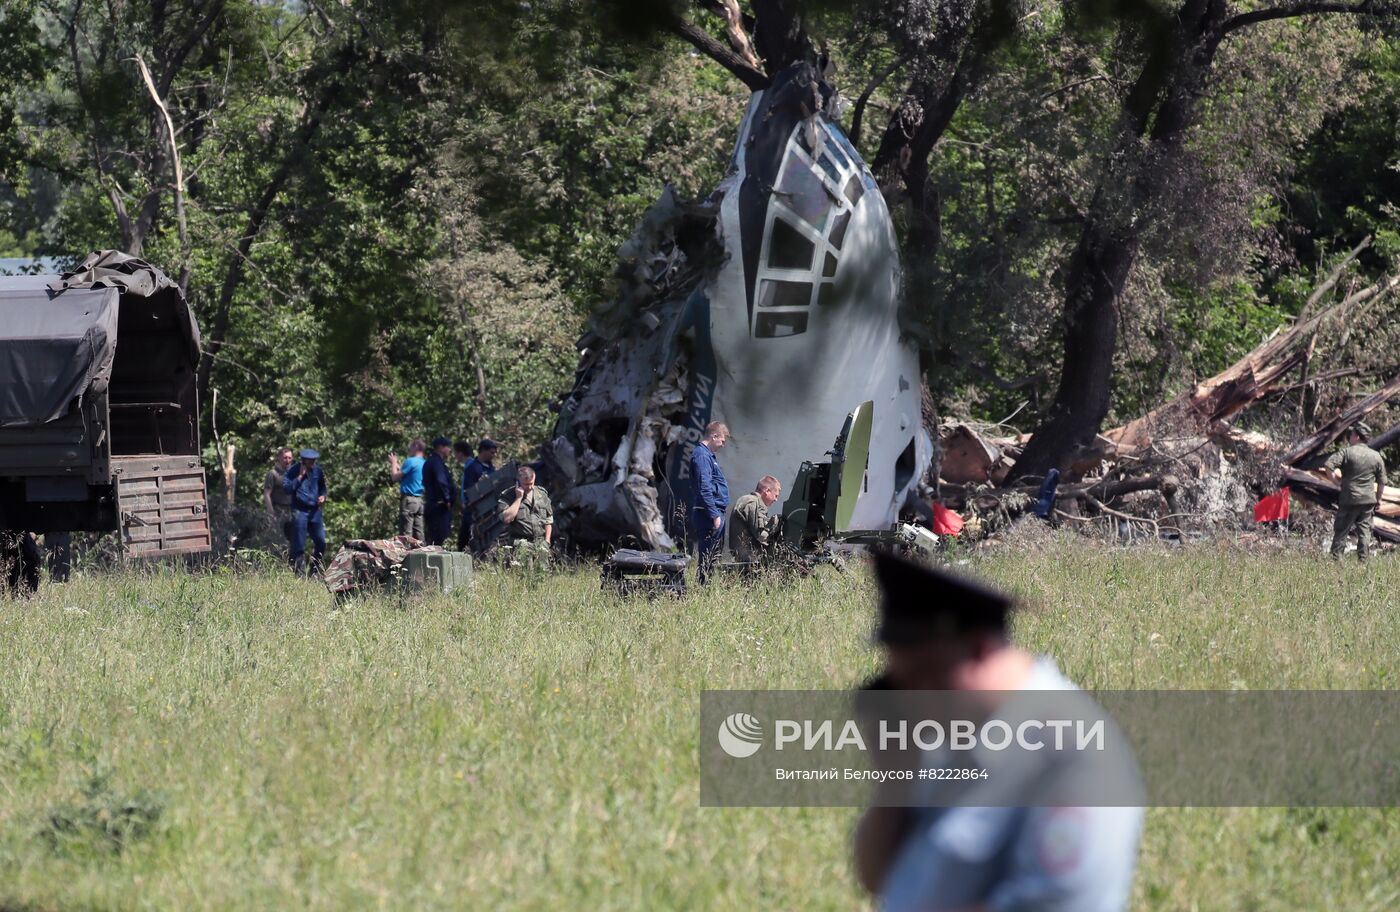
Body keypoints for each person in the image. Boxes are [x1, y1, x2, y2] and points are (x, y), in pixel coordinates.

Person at [853, 552, 1144, 911]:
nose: (910, 702)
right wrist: (894, 780)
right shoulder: (956, 733)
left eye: (922, 677)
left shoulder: (1073, 754)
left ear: (979, 649)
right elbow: (878, 878)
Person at [1325, 424, 1388, 561]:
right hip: (1367, 500)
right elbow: (1382, 482)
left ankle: (1336, 560)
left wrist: (1336, 482)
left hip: (1349, 498)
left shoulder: (1346, 452)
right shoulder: (1376, 456)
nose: (1350, 438)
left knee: (1342, 530)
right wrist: (1378, 499)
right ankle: (1363, 560)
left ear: (1357, 437)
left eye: (1351, 435)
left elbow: (1328, 465)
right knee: (1365, 532)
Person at [689, 421, 730, 584]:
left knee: (714, 556)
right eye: (722, 441)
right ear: (714, 436)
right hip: (708, 514)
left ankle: (709, 586)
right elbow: (704, 487)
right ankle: (703, 587)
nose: (722, 445)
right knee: (707, 555)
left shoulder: (707, 456)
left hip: (714, 512)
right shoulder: (701, 456)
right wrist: (714, 514)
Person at [282, 448, 328, 574]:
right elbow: (287, 489)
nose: (313, 463)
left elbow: (323, 488)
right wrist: (300, 477)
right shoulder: (293, 471)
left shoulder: (318, 471)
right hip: (299, 511)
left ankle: (314, 571)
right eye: (310, 461)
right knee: (299, 545)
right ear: (304, 461)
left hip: (315, 512)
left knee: (321, 542)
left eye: (314, 461)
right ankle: (299, 574)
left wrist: (323, 496)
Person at [457, 438, 499, 551]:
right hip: (473, 510)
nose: (494, 455)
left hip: (488, 510)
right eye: (491, 452)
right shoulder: (473, 467)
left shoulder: (491, 468)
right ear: (483, 451)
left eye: (495, 452)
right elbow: (468, 490)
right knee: (467, 537)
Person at [729, 475, 782, 564]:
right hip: (748, 556)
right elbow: (761, 535)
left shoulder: (746, 499)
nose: (776, 499)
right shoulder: (754, 503)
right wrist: (775, 525)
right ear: (767, 491)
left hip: (740, 553)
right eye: (775, 495)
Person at [496, 465, 553, 546]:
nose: (529, 487)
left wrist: (547, 541)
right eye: (526, 484)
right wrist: (518, 498)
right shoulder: (508, 496)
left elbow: (549, 520)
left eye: (532, 483)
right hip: (521, 544)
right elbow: (507, 519)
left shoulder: (542, 494)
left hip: (541, 544)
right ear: (518, 482)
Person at [389, 439, 427, 542]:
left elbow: (395, 477)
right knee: (419, 531)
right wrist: (397, 465)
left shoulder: (410, 461)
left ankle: (406, 555)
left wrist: (393, 463)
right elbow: (408, 473)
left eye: (410, 447)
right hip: (420, 501)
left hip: (409, 500)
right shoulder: (424, 463)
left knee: (406, 533)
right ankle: (423, 553)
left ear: (415, 447)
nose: (409, 449)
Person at [423, 436, 455, 546]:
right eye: (447, 447)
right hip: (438, 507)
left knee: (435, 538)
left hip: (434, 506)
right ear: (441, 447)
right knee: (439, 539)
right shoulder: (436, 462)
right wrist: (447, 499)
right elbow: (441, 481)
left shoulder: (432, 461)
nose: (449, 450)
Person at [263, 446, 295, 551]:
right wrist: (271, 512)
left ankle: (293, 565)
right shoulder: (273, 474)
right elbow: (267, 493)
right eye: (285, 458)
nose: (287, 460)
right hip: (278, 510)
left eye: (290, 458)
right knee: (278, 542)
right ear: (279, 458)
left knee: (293, 540)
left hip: (291, 511)